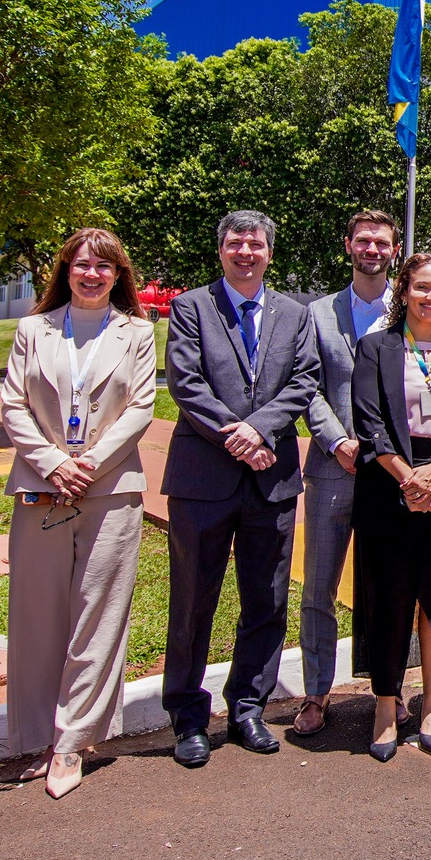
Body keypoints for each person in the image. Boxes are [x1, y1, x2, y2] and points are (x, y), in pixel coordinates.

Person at [0, 228, 159, 799]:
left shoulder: (138, 332)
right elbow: (13, 403)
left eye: (104, 267)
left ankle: (71, 741)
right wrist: (50, 462)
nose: (92, 275)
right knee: (39, 615)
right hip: (42, 487)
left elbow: (141, 406)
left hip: (109, 487)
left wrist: (87, 463)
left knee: (99, 613)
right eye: (82, 265)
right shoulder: (31, 330)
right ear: (65, 270)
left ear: (119, 275)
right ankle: (39, 735)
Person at [160, 210, 322, 766]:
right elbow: (184, 381)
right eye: (236, 244)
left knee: (267, 600)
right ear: (221, 251)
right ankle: (187, 716)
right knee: (192, 601)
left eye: (255, 244)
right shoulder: (191, 307)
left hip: (271, 479)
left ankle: (248, 706)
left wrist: (261, 429)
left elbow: (304, 380)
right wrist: (237, 434)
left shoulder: (294, 314)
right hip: (203, 479)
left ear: (269, 253)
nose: (246, 252)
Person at [349, 252, 431, 760]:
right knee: (390, 599)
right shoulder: (375, 348)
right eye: (422, 287)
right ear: (403, 290)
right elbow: (368, 420)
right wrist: (408, 477)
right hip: (389, 487)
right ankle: (386, 703)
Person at [290, 210, 400, 739]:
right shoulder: (316, 313)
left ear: (394, 249)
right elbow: (305, 384)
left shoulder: (408, 310)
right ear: (348, 246)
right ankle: (316, 693)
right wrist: (336, 439)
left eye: (381, 242)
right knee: (319, 587)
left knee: (390, 585)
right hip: (333, 469)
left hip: (392, 471)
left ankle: (390, 688)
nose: (372, 249)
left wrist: (383, 450)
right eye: (363, 241)